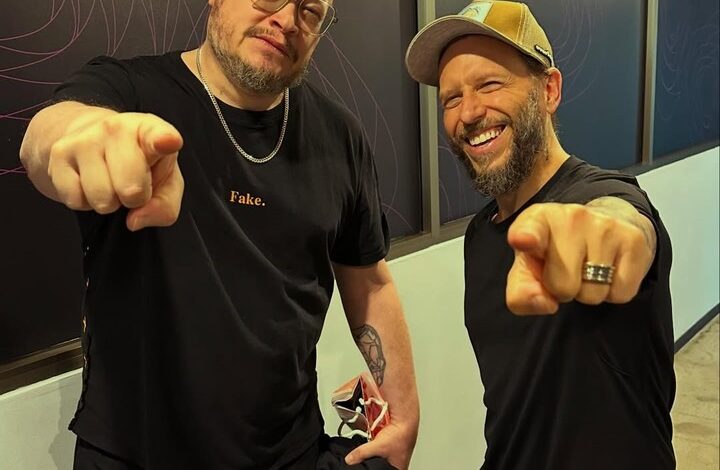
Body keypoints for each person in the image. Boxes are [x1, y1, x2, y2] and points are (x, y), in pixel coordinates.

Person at [20, 0, 419, 468]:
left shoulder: (341, 137)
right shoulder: (129, 92)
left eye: (310, 10)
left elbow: (369, 282)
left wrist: (405, 416)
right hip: (132, 454)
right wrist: (88, 136)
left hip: (289, 452)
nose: (286, 20)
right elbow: (49, 135)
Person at [405, 1, 675, 469]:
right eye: (451, 98)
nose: (469, 112)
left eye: (490, 84)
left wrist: (605, 251)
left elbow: (624, 225)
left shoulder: (598, 198)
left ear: (549, 90)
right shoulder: (480, 235)